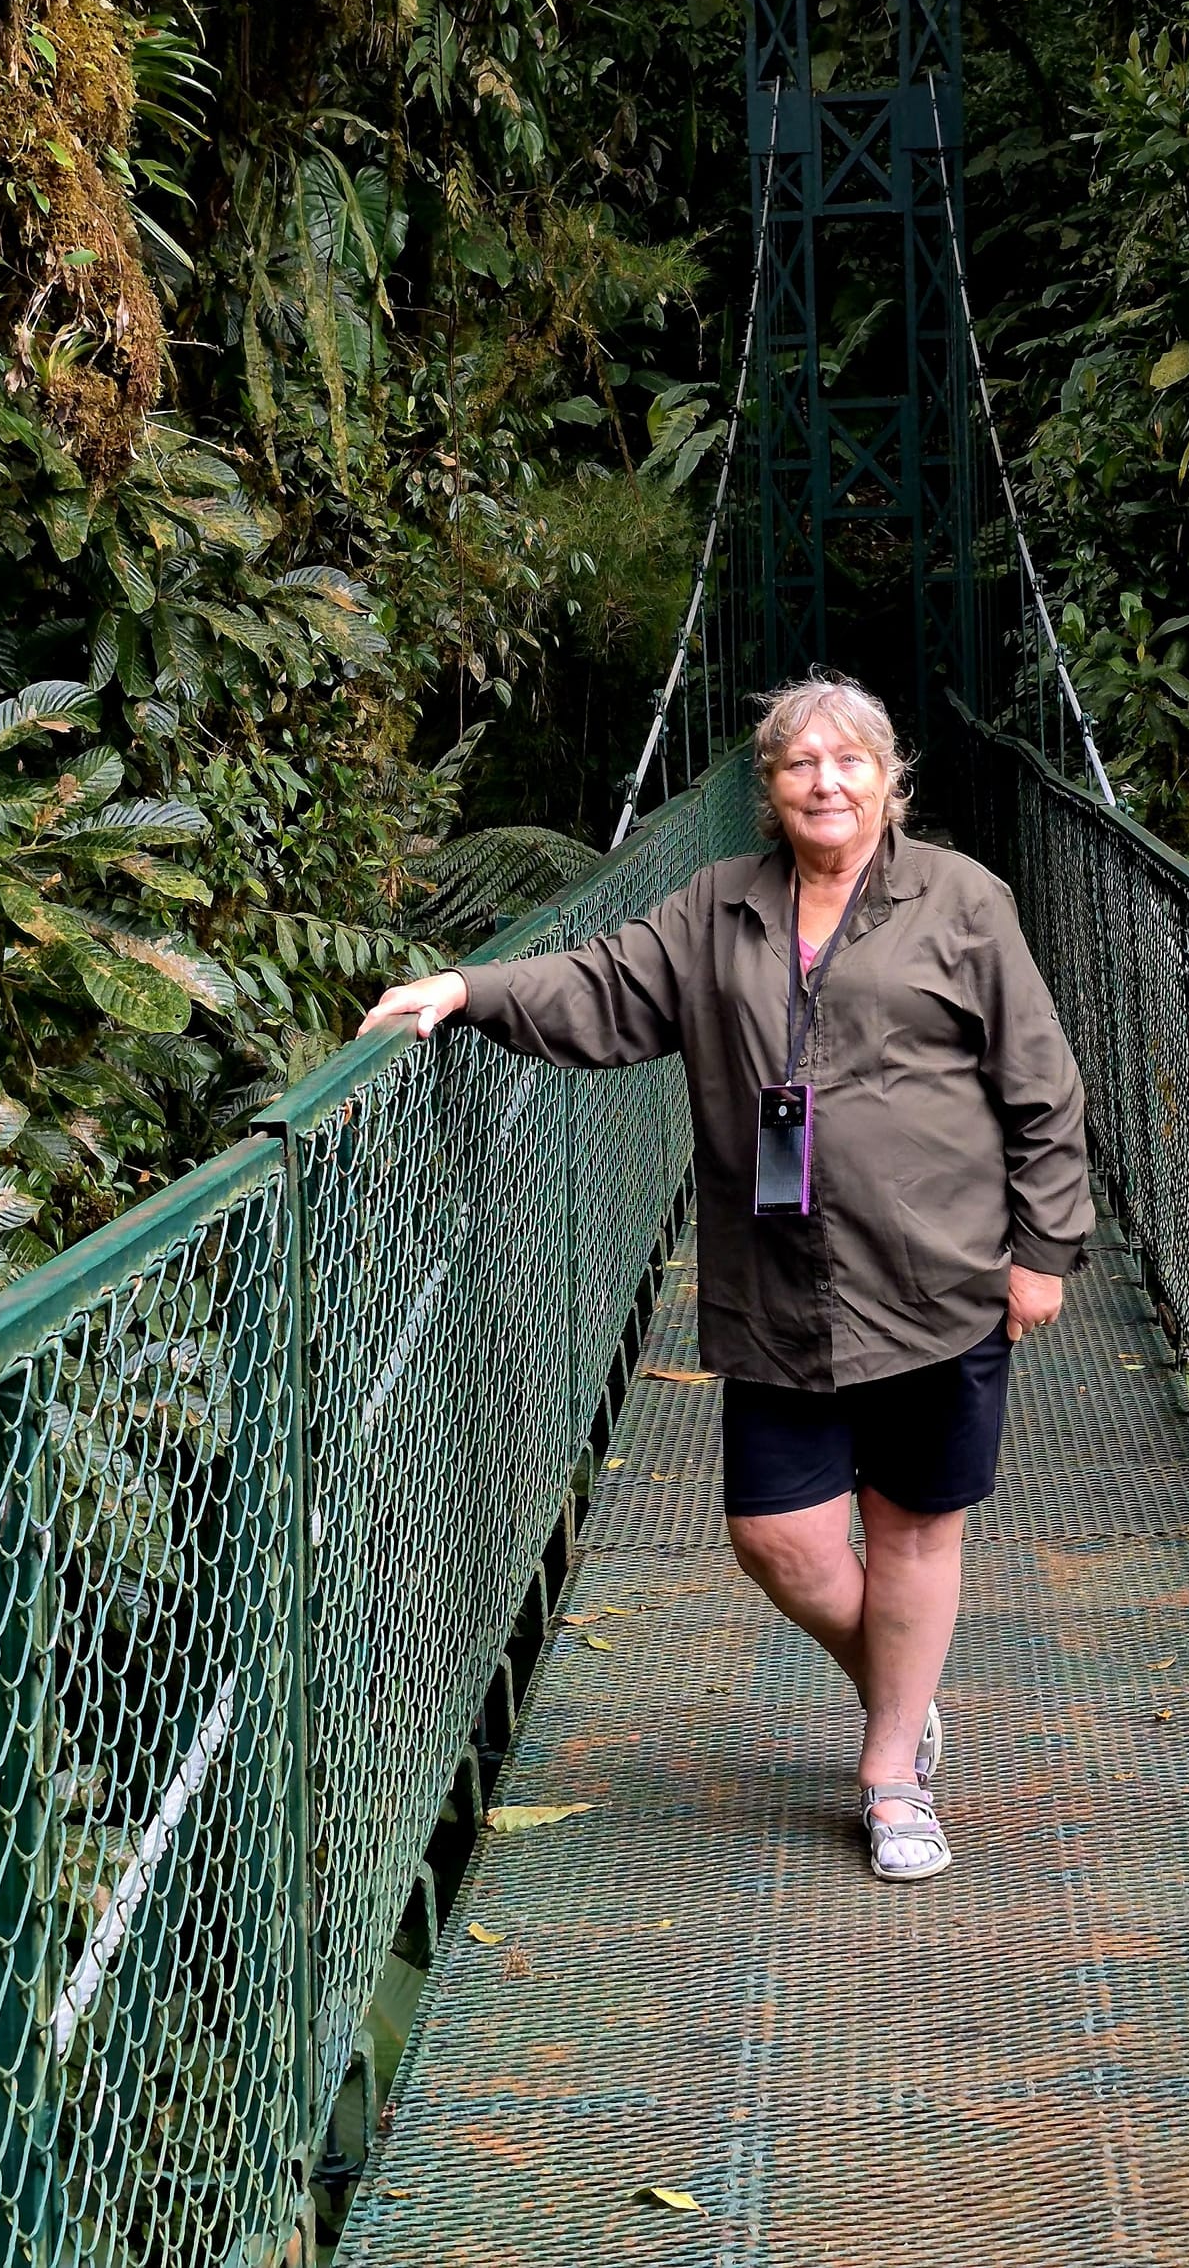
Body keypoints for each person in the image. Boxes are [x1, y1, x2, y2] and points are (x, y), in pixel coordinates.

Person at [361, 674, 1091, 1882]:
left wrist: (1042, 1251)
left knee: (911, 1533)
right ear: (768, 787)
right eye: (800, 763)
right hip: (778, 1278)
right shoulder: (717, 909)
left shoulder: (961, 901)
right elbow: (602, 988)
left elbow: (1039, 1082)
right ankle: (900, 1693)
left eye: (849, 762)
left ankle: (891, 1772)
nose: (825, 783)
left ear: (888, 779)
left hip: (939, 1276)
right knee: (777, 1538)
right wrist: (469, 991)